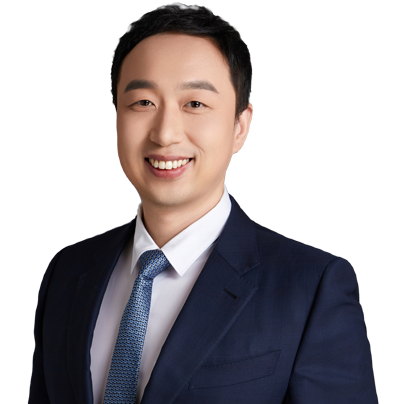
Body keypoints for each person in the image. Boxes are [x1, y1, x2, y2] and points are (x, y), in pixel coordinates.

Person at [28, 5, 377, 404]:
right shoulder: (67, 273)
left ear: (239, 127)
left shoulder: (311, 287)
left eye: (194, 104)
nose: (165, 134)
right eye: (143, 102)